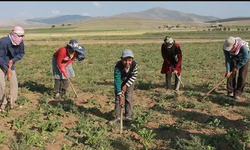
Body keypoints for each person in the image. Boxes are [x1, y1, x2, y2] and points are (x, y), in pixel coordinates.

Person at [0, 26, 25, 112]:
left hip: (10, 63)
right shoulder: (4, 42)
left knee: (14, 83)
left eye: (22, 36)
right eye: (19, 35)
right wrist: (7, 69)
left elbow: (21, 53)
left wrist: (13, 60)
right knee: (1, 84)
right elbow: (0, 57)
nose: (20, 37)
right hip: (1, 63)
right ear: (13, 34)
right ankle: (2, 104)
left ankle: (12, 103)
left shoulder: (20, 42)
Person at [110, 49, 138, 124]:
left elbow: (134, 76)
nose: (127, 62)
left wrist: (126, 85)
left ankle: (128, 116)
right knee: (118, 99)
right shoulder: (118, 66)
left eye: (129, 60)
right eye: (125, 60)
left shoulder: (134, 65)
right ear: (121, 59)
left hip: (129, 81)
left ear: (132, 59)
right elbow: (117, 80)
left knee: (129, 97)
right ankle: (118, 117)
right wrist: (120, 94)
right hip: (120, 80)